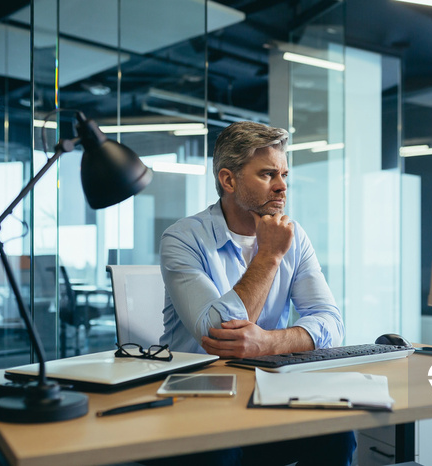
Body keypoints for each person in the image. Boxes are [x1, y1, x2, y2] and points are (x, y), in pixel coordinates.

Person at [151, 121, 355, 466]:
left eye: (284, 175)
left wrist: (267, 344)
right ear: (228, 180)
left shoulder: (294, 236)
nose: (282, 187)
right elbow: (216, 335)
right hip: (198, 398)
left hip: (267, 390)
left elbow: (331, 322)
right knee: (221, 450)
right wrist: (268, 256)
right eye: (267, 175)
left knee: (336, 431)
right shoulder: (183, 238)